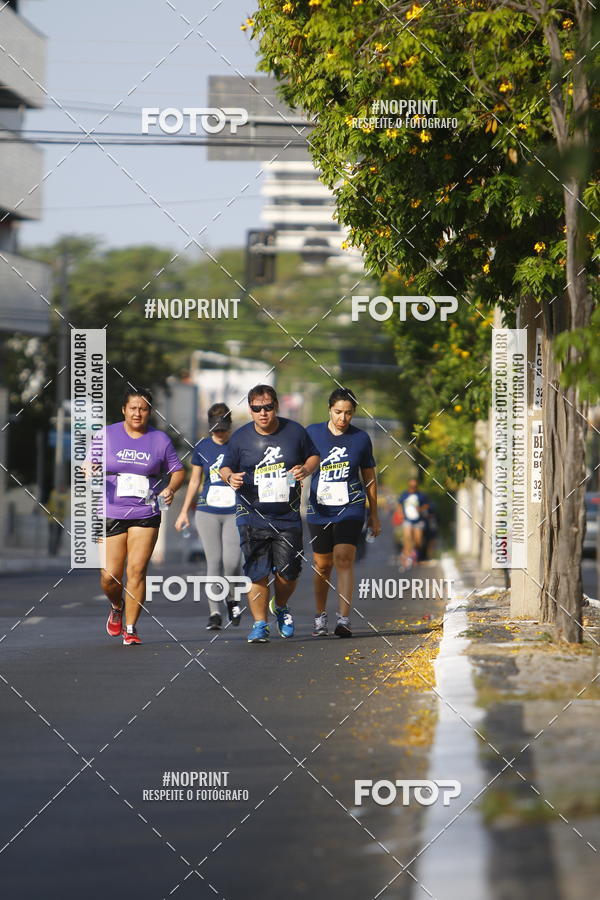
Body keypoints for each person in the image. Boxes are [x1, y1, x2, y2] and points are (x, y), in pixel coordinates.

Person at [219, 384, 319, 644]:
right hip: (251, 513)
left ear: (276, 406)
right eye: (257, 408)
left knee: (288, 572)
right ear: (250, 410)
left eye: (268, 407)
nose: (263, 413)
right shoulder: (240, 438)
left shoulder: (295, 432)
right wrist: (230, 477)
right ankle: (260, 624)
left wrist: (305, 470)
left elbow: (314, 457)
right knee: (257, 571)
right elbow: (225, 467)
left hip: (287, 516)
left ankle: (281, 606)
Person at [98, 388, 185, 645]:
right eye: (133, 408)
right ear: (124, 410)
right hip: (111, 511)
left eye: (143, 408)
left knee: (136, 570)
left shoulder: (159, 440)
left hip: (145, 511)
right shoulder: (107, 435)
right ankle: (116, 606)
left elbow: (177, 470)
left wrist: (170, 488)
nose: (138, 413)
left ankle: (131, 628)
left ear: (150, 412)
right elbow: (88, 463)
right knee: (109, 576)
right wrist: (89, 469)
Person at [306, 388, 380, 638]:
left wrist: (374, 514)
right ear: (329, 409)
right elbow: (299, 465)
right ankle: (319, 616)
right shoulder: (313, 434)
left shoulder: (361, 439)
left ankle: (344, 619)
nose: (342, 418)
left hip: (352, 505)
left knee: (344, 557)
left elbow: (369, 478)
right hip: (319, 508)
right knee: (322, 564)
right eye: (338, 412)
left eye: (348, 413)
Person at [175, 403, 242, 630]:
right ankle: (214, 612)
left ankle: (232, 598)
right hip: (207, 510)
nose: (219, 433)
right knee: (214, 562)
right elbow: (195, 480)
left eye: (223, 428)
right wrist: (184, 511)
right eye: (215, 429)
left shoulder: (239, 445)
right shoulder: (202, 446)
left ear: (230, 426)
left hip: (234, 510)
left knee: (232, 562)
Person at [396, 477, 429, 567]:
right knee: (408, 537)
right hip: (407, 520)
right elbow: (399, 504)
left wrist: (421, 509)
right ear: (409, 486)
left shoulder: (421, 495)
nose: (413, 487)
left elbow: (426, 505)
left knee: (418, 540)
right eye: (411, 486)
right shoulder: (404, 495)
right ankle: (406, 556)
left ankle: (415, 554)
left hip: (419, 520)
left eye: (414, 486)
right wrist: (400, 513)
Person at [46, 483, 69, 556]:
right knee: (53, 536)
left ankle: (55, 551)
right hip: (52, 520)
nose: (63, 489)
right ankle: (51, 551)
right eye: (62, 487)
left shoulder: (65, 496)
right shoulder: (54, 494)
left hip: (60, 520)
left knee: (58, 537)